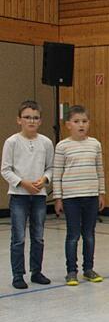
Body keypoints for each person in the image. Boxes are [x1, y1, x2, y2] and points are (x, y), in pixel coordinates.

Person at [1, 100, 54, 289]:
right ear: (19, 120)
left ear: (40, 121)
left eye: (35, 118)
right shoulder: (12, 142)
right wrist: (23, 183)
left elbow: (50, 168)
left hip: (39, 196)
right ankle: (17, 275)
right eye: (27, 117)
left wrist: (44, 180)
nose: (31, 121)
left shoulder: (46, 142)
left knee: (38, 236)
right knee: (18, 238)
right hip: (19, 196)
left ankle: (36, 271)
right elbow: (5, 170)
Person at [53, 105, 106, 286]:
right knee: (73, 235)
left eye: (84, 121)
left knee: (89, 235)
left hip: (91, 196)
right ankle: (71, 271)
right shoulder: (62, 146)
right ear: (68, 124)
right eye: (76, 122)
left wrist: (101, 193)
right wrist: (58, 198)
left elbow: (100, 171)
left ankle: (88, 269)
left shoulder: (95, 144)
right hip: (71, 198)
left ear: (89, 123)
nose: (81, 125)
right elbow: (57, 174)